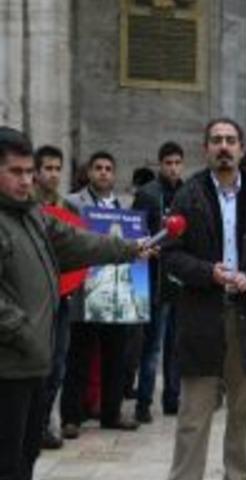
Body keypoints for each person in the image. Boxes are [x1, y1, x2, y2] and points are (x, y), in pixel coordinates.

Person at [0, 126, 154, 480]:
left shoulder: (32, 214)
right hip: (8, 368)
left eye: (29, 171)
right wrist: (25, 333)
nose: (27, 180)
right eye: (15, 172)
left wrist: (129, 248)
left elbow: (77, 241)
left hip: (35, 364)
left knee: (24, 459)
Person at [162, 118, 246, 480]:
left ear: (242, 148)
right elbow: (171, 253)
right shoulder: (189, 194)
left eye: (231, 141)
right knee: (193, 415)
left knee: (244, 413)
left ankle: (239, 475)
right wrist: (206, 272)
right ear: (206, 149)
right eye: (216, 140)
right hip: (202, 316)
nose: (224, 147)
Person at [60, 151, 142, 437]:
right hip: (85, 290)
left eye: (109, 168)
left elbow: (133, 245)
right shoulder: (73, 202)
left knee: (116, 355)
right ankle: (71, 416)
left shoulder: (125, 205)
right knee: (79, 356)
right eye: (98, 168)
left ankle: (111, 413)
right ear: (89, 172)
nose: (104, 173)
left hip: (117, 291)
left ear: (114, 174)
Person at [133, 141, 185, 423]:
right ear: (160, 164)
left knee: (176, 344)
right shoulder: (148, 194)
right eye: (169, 163)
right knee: (152, 345)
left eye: (178, 163)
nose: (174, 168)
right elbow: (134, 233)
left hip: (181, 281)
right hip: (155, 280)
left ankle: (172, 399)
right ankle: (143, 402)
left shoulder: (189, 193)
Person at [31, 145, 76, 450]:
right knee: (35, 363)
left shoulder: (69, 209)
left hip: (63, 296)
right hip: (34, 300)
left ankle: (44, 423)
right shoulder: (26, 207)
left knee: (58, 364)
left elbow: (78, 247)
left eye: (58, 168)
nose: (53, 174)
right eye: (47, 168)